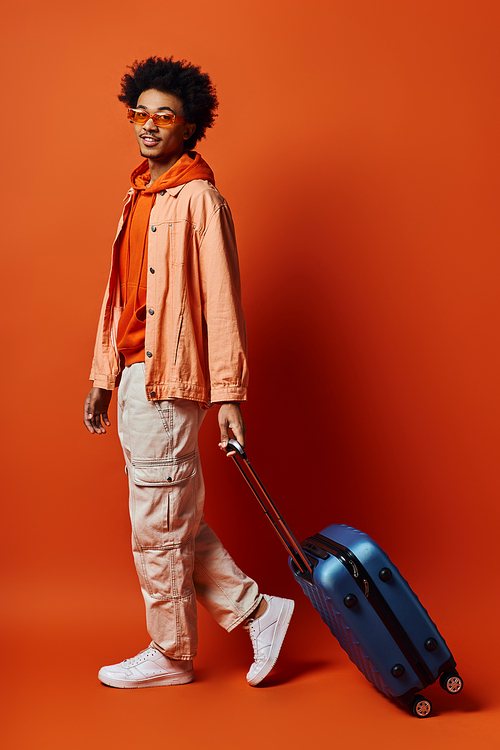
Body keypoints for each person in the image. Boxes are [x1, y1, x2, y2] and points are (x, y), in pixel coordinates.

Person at [83, 56, 294, 689]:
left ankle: (171, 654)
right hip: (133, 378)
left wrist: (229, 395)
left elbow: (222, 301)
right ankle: (259, 612)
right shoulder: (138, 194)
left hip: (170, 381)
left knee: (157, 522)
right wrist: (102, 373)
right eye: (139, 113)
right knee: (170, 515)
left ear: (188, 125)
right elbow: (119, 294)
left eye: (163, 116)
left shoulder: (200, 198)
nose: (148, 125)